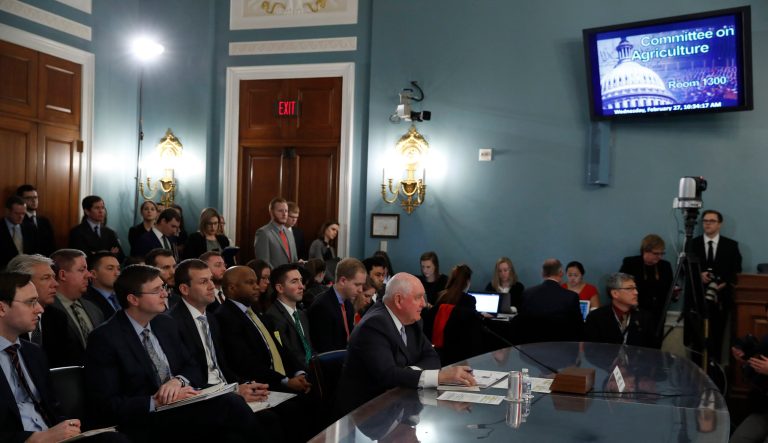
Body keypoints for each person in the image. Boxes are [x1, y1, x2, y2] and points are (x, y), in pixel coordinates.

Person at [84, 265, 267, 442]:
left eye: (163, 287)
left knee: (237, 433)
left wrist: (177, 380)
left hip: (182, 409)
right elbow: (105, 405)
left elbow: (193, 366)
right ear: (133, 299)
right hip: (146, 418)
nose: (165, 293)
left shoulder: (165, 323)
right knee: (231, 403)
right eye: (156, 290)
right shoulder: (104, 338)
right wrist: (155, 401)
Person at [0, 272, 121, 443]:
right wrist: (37, 439)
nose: (40, 309)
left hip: (54, 437)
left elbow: (53, 410)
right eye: (30, 302)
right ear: (2, 308)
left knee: (113, 439)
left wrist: (68, 428)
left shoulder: (33, 353)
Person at [335, 272, 477, 415]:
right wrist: (438, 377)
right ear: (398, 300)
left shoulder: (412, 320)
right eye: (418, 297)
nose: (423, 303)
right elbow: (388, 376)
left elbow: (432, 358)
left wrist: (406, 373)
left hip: (398, 406)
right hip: (366, 415)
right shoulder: (374, 325)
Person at [214, 266, 312, 394]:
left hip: (279, 379)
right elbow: (245, 362)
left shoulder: (254, 311)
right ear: (232, 288)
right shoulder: (225, 317)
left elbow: (279, 348)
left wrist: (299, 372)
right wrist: (285, 381)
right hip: (262, 385)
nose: (256, 287)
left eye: (256, 282)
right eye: (250, 283)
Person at [690, 209, 742, 362]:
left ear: (720, 224)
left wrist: (724, 282)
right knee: (697, 341)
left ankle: (714, 376)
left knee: (717, 339)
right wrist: (699, 275)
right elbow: (685, 270)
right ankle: (695, 376)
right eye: (705, 221)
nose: (707, 224)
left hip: (721, 300)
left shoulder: (731, 246)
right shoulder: (693, 244)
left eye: (712, 221)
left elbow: (736, 271)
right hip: (697, 299)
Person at [43, 249, 104, 368]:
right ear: (62, 275)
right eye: (82, 270)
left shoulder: (94, 308)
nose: (89, 274)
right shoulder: (45, 311)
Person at [424, 265, 485, 365]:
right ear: (467, 281)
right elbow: (471, 324)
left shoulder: (441, 296)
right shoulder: (469, 299)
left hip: (440, 350)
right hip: (460, 352)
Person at [308, 258, 367, 353]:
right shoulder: (321, 306)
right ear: (343, 281)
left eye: (362, 285)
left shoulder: (348, 304)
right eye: (357, 285)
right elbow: (324, 350)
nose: (360, 290)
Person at [584, 273, 658, 348]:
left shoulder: (645, 317)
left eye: (635, 288)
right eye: (630, 289)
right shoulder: (596, 317)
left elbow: (652, 350)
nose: (636, 292)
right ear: (615, 293)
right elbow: (591, 350)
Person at [517, 259, 583, 343]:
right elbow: (578, 328)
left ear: (542, 273)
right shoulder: (571, 297)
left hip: (531, 349)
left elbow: (521, 323)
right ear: (560, 273)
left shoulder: (527, 294)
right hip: (562, 351)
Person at [265, 264, 314, 371]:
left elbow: (308, 349)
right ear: (280, 288)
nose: (301, 286)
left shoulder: (301, 314)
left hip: (312, 370)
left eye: (301, 280)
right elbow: (287, 356)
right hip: (296, 376)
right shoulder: (273, 317)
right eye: (294, 281)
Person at [619, 234, 673, 331]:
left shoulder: (665, 266)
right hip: (634, 312)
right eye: (656, 253)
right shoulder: (630, 263)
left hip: (658, 314)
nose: (660, 257)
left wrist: (675, 292)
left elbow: (670, 288)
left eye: (662, 253)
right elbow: (620, 287)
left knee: (655, 343)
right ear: (645, 251)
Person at [5, 254, 59, 346]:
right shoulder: (10, 321)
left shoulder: (58, 318)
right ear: (23, 282)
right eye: (46, 278)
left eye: (53, 277)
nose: (55, 284)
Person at [68, 196, 125, 262]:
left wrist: (96, 254)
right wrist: (109, 254)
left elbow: (121, 257)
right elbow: (82, 258)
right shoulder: (77, 232)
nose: (101, 211)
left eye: (103, 208)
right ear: (87, 211)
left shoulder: (110, 232)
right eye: (97, 208)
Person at [254, 197, 297, 268]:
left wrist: (298, 263)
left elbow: (294, 259)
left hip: (290, 276)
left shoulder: (289, 232)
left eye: (286, 211)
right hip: (274, 277)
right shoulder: (263, 233)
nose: (284, 214)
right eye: (280, 211)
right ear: (271, 212)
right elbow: (263, 262)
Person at [17, 184, 55, 256]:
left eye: (35, 197)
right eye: (28, 198)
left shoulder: (45, 221)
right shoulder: (18, 220)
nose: (34, 200)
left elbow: (51, 246)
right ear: (20, 199)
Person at [1, 196, 38, 269]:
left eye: (23, 213)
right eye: (17, 213)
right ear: (7, 211)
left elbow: (35, 252)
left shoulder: (31, 227)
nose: (21, 217)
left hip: (27, 271)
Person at [83, 251, 121, 320]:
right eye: (110, 268)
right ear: (93, 274)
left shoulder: (125, 295)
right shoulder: (86, 300)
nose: (117, 273)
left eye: (118, 269)